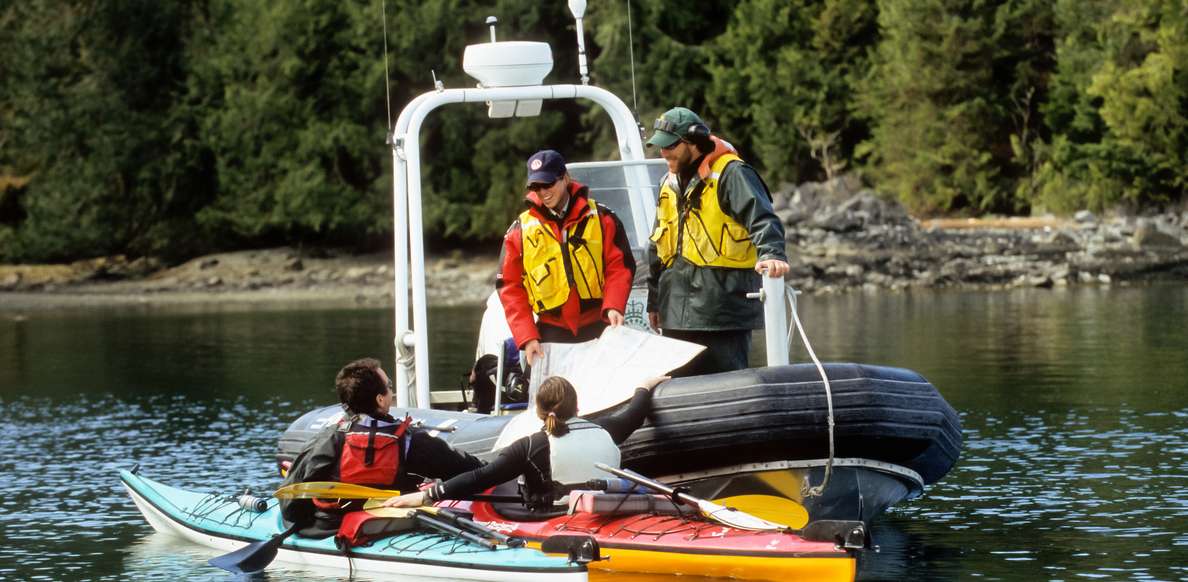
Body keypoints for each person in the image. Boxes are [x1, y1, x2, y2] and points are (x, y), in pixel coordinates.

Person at [381, 375, 667, 514]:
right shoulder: (607, 429)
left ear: (539, 412)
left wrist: (426, 496)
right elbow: (634, 414)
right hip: (607, 510)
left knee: (498, 481)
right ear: (578, 406)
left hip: (551, 517)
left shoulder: (530, 445)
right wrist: (644, 386)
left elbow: (481, 477)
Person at [644, 107, 789, 377]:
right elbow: (657, 247)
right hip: (675, 312)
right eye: (660, 148)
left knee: (727, 386)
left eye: (671, 146)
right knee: (677, 393)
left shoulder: (733, 173)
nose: (664, 154)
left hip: (724, 313)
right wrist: (655, 302)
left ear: (695, 142)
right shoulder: (667, 182)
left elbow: (763, 219)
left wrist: (772, 253)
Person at [279, 358, 484, 537]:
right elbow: (474, 472)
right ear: (379, 399)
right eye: (389, 386)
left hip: (332, 529)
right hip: (395, 529)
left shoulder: (326, 440)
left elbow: (289, 508)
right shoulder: (412, 440)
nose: (391, 391)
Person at [497, 150, 637, 367]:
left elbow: (619, 266)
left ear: (565, 178)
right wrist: (527, 336)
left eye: (548, 183)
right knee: (549, 398)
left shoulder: (603, 218)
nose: (542, 192)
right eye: (536, 187)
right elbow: (509, 287)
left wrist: (614, 306)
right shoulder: (519, 230)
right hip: (550, 330)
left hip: (599, 323)